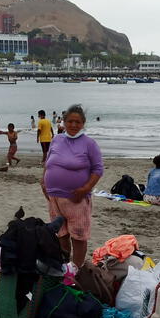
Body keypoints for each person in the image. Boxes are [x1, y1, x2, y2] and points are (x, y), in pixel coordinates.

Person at [40, 105, 103, 267]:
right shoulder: (57, 139)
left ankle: (76, 269)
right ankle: (65, 265)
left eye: (77, 122)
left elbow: (98, 170)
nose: (73, 125)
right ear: (64, 122)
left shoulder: (89, 144)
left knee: (78, 235)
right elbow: (49, 161)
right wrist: (43, 181)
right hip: (54, 197)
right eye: (70, 121)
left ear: (83, 123)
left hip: (76, 198)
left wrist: (85, 188)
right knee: (61, 234)